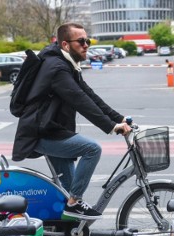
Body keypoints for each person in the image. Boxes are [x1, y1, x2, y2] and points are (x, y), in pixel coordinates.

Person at [12, 22, 131, 220]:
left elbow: (88, 94)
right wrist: (111, 126)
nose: (86, 45)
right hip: (41, 133)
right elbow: (80, 100)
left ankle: (66, 223)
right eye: (81, 41)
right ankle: (75, 203)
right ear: (66, 45)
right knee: (92, 149)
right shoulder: (56, 68)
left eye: (88, 41)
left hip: (54, 130)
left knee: (66, 189)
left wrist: (118, 117)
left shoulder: (66, 64)